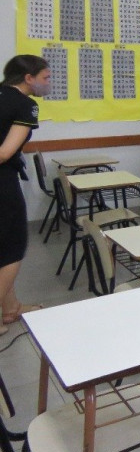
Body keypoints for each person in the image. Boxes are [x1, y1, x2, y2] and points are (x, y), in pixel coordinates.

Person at [0, 55, 50, 334]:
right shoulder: (25, 105)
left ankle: (11, 308)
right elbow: (5, 153)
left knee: (2, 246)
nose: (49, 83)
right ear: (29, 78)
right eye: (46, 77)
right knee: (12, 247)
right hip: (2, 182)